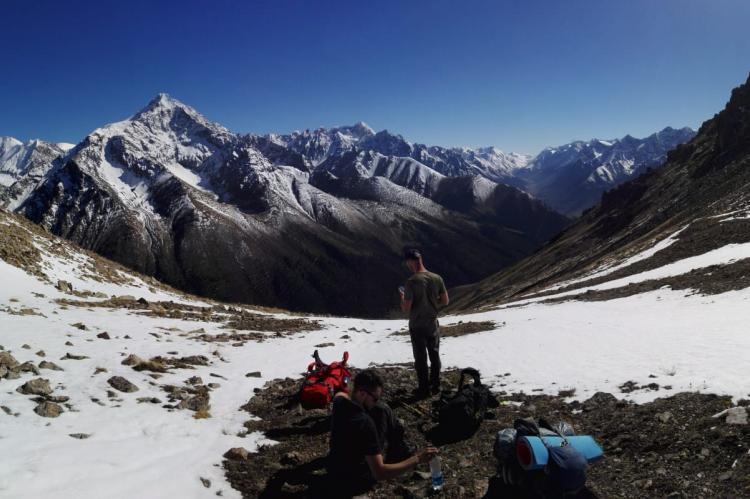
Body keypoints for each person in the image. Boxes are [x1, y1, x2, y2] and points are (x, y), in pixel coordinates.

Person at [327, 369, 438, 498]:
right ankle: (400, 452)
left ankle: (399, 448)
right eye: (375, 398)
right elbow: (379, 473)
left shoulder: (339, 402)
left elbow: (340, 393)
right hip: (355, 480)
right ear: (362, 393)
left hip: (335, 467)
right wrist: (417, 459)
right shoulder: (365, 423)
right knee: (383, 409)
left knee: (381, 408)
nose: (376, 401)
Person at [399, 248, 448, 397]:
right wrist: (433, 302)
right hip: (432, 323)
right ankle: (435, 384)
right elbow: (445, 301)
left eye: (407, 263)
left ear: (410, 262)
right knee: (434, 354)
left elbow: (406, 308)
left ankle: (423, 388)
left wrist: (401, 297)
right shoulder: (437, 278)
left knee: (420, 358)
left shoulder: (411, 282)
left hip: (417, 325)